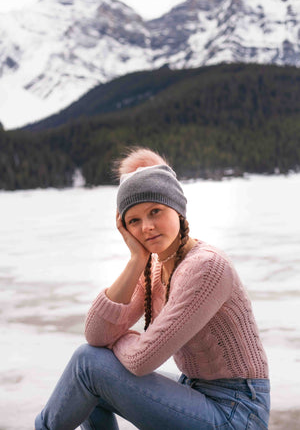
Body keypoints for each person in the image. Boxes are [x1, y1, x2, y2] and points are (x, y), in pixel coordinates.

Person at [35, 147, 270, 430]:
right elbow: (96, 335)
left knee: (89, 366)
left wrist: (119, 340)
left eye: (155, 211)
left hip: (236, 412)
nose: (147, 227)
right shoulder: (156, 266)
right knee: (89, 378)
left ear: (177, 208)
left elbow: (141, 361)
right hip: (198, 392)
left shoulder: (206, 267)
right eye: (134, 220)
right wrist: (137, 259)